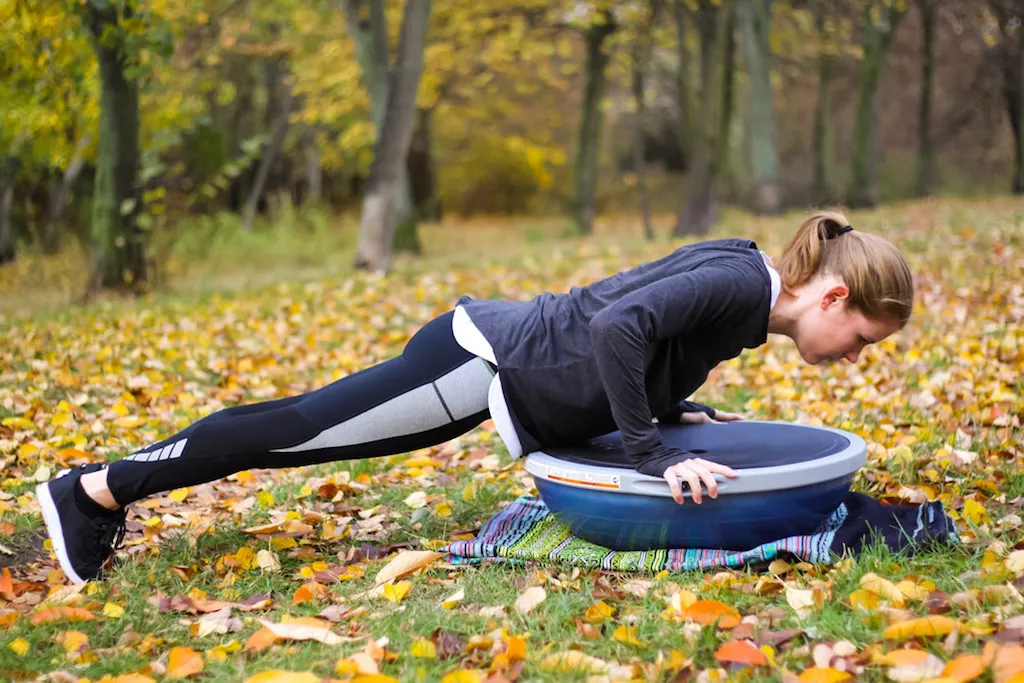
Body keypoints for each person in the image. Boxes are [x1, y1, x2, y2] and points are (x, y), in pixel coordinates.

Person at [36, 210, 913, 584]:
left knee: (295, 430)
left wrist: (674, 410)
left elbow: (642, 324)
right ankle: (94, 489)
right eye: (863, 339)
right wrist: (652, 453)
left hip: (493, 363)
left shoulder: (748, 284)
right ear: (834, 296)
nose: (855, 357)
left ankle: (99, 487)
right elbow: (618, 329)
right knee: (293, 430)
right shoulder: (740, 283)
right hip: (483, 362)